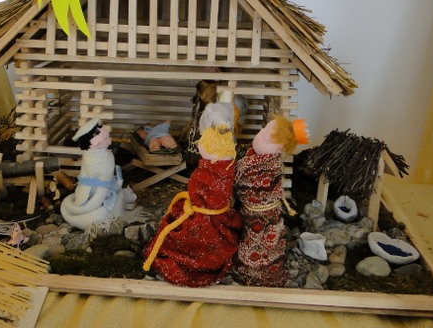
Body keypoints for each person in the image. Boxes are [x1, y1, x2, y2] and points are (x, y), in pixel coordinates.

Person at [142, 103, 242, 287]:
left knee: (188, 240)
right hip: (210, 212)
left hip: (207, 218)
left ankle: (191, 266)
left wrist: (198, 203)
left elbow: (210, 194)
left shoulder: (215, 168)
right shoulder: (226, 166)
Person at [232, 115, 309, 287]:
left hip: (260, 214)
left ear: (278, 150)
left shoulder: (266, 165)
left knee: (259, 240)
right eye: (264, 130)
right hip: (257, 210)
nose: (262, 136)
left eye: (269, 138)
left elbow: (244, 185)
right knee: (254, 237)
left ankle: (257, 273)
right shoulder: (256, 157)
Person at [60, 118, 136, 230]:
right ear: (92, 142)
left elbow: (106, 181)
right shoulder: (95, 158)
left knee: (116, 198)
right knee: (101, 213)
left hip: (102, 190)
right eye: (98, 133)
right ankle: (93, 216)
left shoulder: (103, 154)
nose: (106, 136)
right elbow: (101, 187)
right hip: (92, 192)